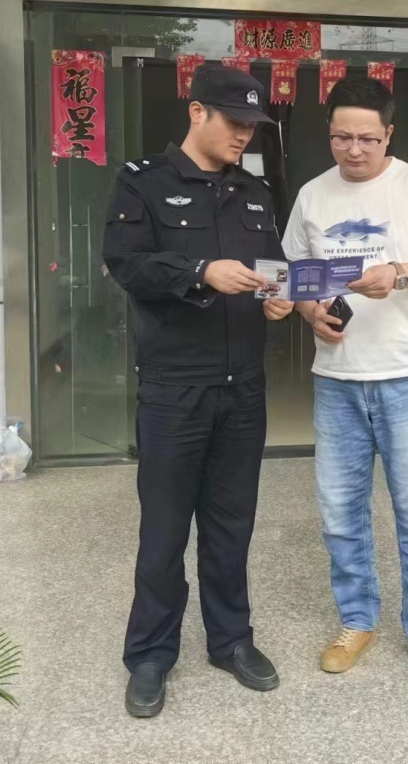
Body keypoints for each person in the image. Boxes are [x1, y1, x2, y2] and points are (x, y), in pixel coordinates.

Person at [103, 63, 294, 717]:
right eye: (234, 122)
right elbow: (127, 264)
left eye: (252, 125)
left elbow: (272, 268)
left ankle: (231, 639)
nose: (244, 134)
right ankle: (150, 654)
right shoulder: (143, 182)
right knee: (163, 530)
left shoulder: (254, 192)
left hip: (243, 390)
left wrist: (278, 298)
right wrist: (200, 270)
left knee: (231, 525)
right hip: (174, 390)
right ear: (196, 113)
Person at [282, 76, 408, 689]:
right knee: (339, 512)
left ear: (389, 134)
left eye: (367, 138)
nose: (353, 149)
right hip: (337, 380)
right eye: (342, 137)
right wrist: (310, 313)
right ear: (329, 134)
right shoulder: (312, 195)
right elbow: (296, 276)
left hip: (407, 377)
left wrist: (399, 276)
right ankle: (356, 620)